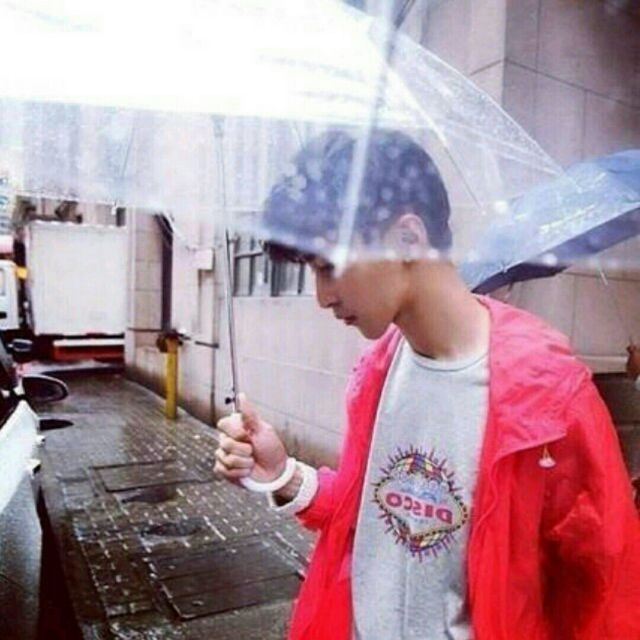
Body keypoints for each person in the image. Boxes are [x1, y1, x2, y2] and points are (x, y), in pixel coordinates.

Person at [214, 130, 640, 640]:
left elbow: (606, 587)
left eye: (328, 266)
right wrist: (283, 473)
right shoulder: (377, 371)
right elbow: (377, 512)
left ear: (407, 239)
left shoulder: (547, 394)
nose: (321, 297)